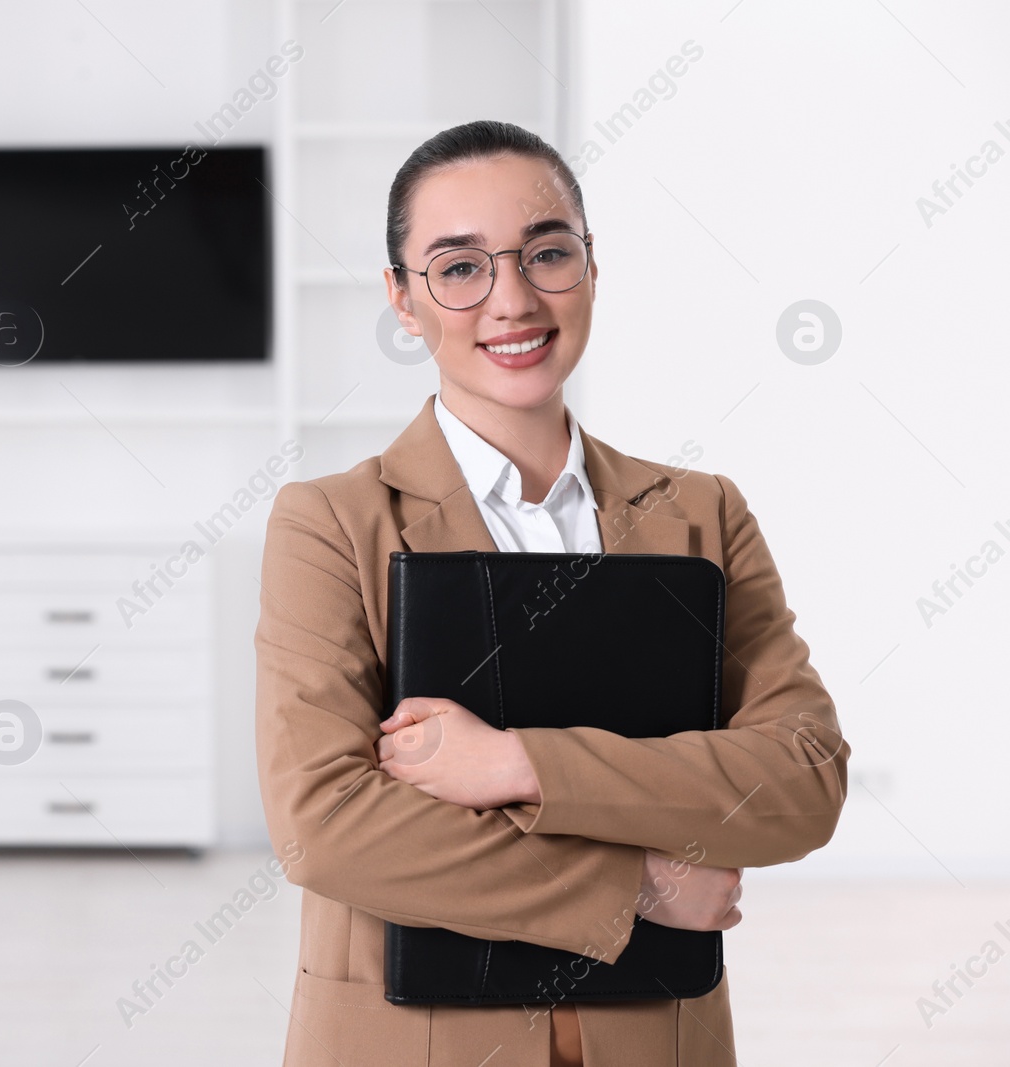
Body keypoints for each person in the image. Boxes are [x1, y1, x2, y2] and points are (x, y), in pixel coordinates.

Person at [253, 120, 850, 1067]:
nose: (513, 299)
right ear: (404, 301)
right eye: (459, 268)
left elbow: (804, 777)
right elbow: (326, 827)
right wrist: (641, 887)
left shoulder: (701, 514)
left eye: (546, 252)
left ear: (591, 265)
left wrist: (518, 763)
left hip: (659, 1040)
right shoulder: (332, 523)